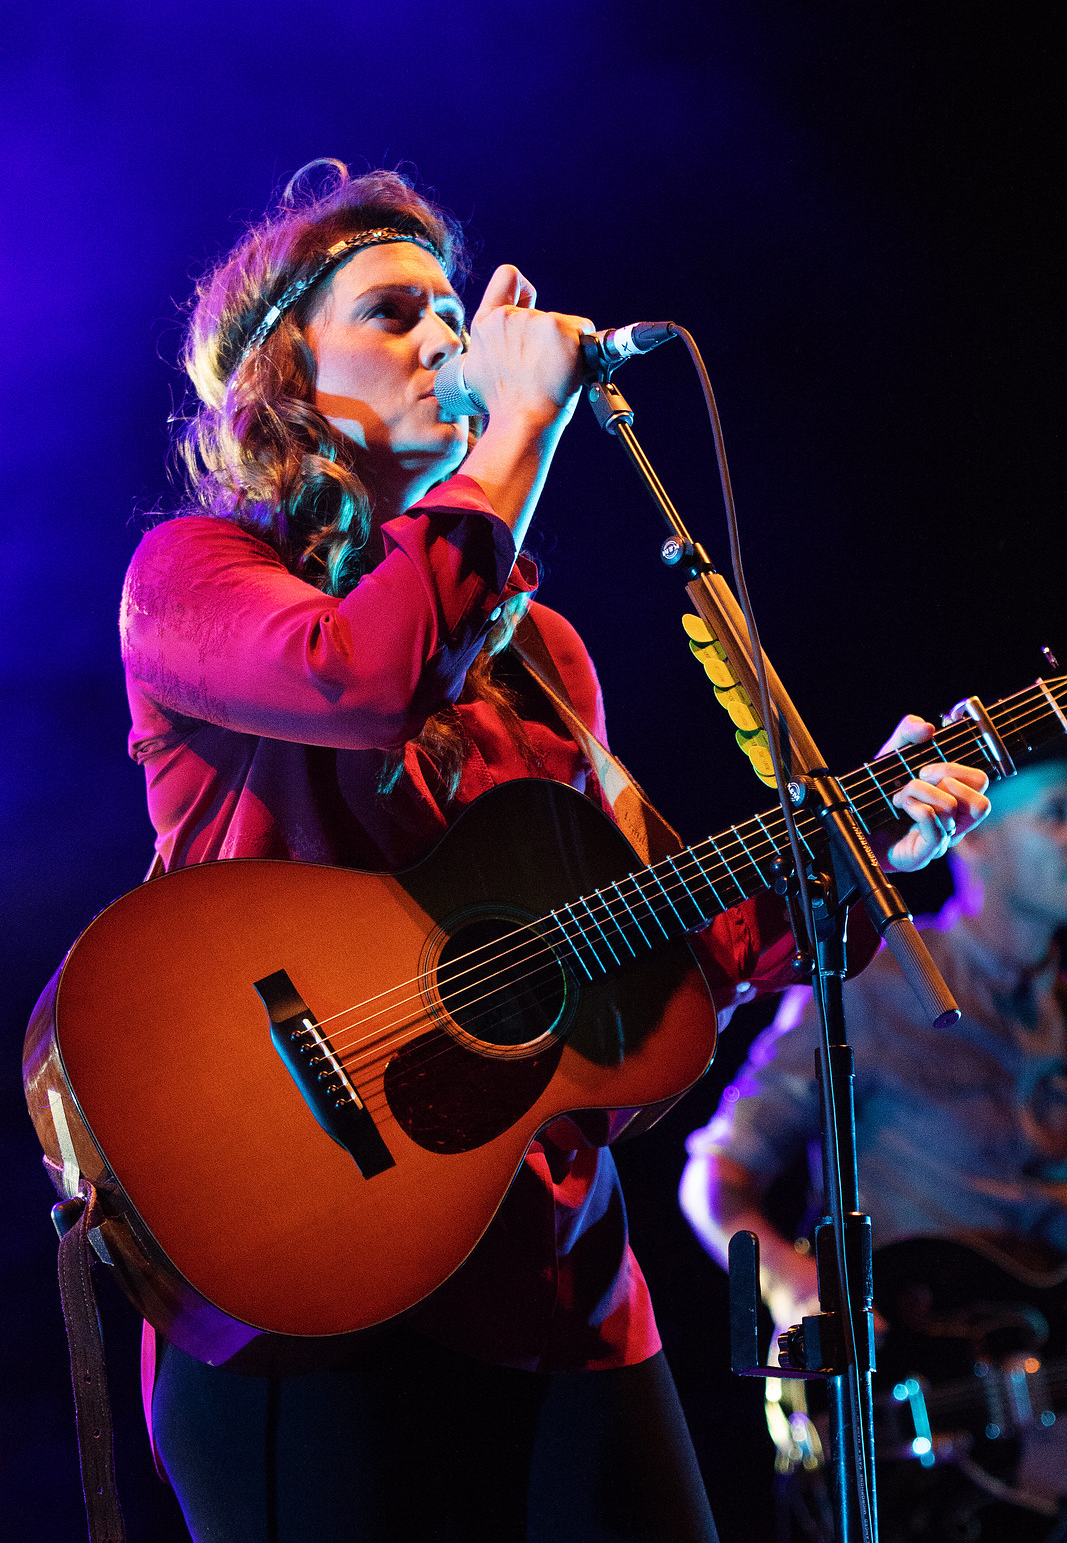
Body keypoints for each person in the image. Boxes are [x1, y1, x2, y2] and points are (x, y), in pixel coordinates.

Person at [119, 159, 989, 1543]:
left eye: (452, 318)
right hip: (309, 1277)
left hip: (554, 1282)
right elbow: (359, 677)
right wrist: (513, 432)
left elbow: (671, 941)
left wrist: (856, 844)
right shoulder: (196, 577)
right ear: (284, 370)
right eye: (396, 314)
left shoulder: (539, 660)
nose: (446, 342)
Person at [680, 749, 1067, 1537]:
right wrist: (793, 1288)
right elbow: (713, 1179)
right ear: (976, 837)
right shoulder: (877, 983)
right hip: (914, 1418)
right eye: (1058, 816)